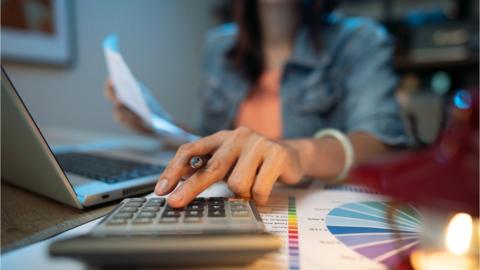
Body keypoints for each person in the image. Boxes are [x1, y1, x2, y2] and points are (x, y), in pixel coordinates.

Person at [105, 0, 408, 208]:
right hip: (230, 207)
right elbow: (209, 142)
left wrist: (299, 153)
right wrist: (156, 123)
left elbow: (383, 142)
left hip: (310, 209)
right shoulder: (218, 46)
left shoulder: (360, 40)